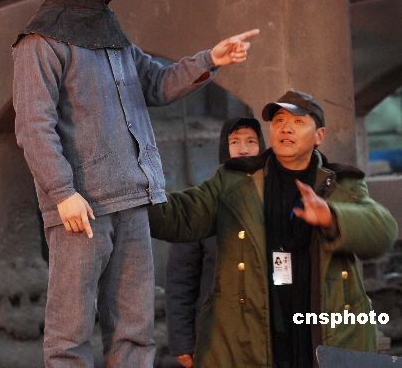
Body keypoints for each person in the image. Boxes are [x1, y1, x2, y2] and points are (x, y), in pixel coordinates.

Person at [11, 0, 258, 367]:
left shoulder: (112, 34)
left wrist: (211, 59)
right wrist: (63, 192)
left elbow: (158, 84)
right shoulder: (40, 43)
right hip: (82, 209)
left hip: (133, 200)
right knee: (70, 336)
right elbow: (33, 125)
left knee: (135, 332)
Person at [149, 89, 398, 368]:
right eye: (279, 121)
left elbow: (383, 231)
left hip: (323, 329)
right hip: (253, 334)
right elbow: (181, 216)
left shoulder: (342, 183)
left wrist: (332, 218)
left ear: (319, 136)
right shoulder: (234, 180)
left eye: (298, 122)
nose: (285, 128)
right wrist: (136, 197)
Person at [165, 117, 265, 367]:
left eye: (251, 141)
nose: (243, 149)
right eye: (235, 142)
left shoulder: (274, 198)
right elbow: (181, 279)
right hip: (214, 333)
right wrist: (182, 342)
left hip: (265, 332)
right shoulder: (204, 202)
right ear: (224, 148)